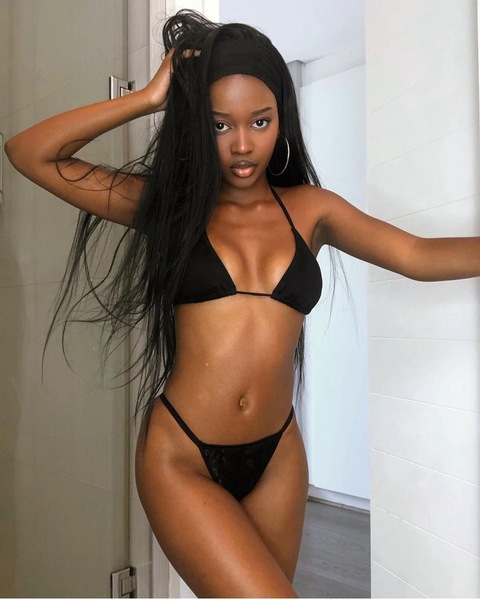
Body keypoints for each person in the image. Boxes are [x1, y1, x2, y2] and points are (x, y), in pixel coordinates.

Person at [5, 9, 480, 598]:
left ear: (282, 115)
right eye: (219, 124)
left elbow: (416, 254)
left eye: (260, 120)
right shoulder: (170, 207)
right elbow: (31, 153)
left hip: (278, 456)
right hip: (183, 456)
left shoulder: (313, 209)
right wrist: (150, 99)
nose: (243, 144)